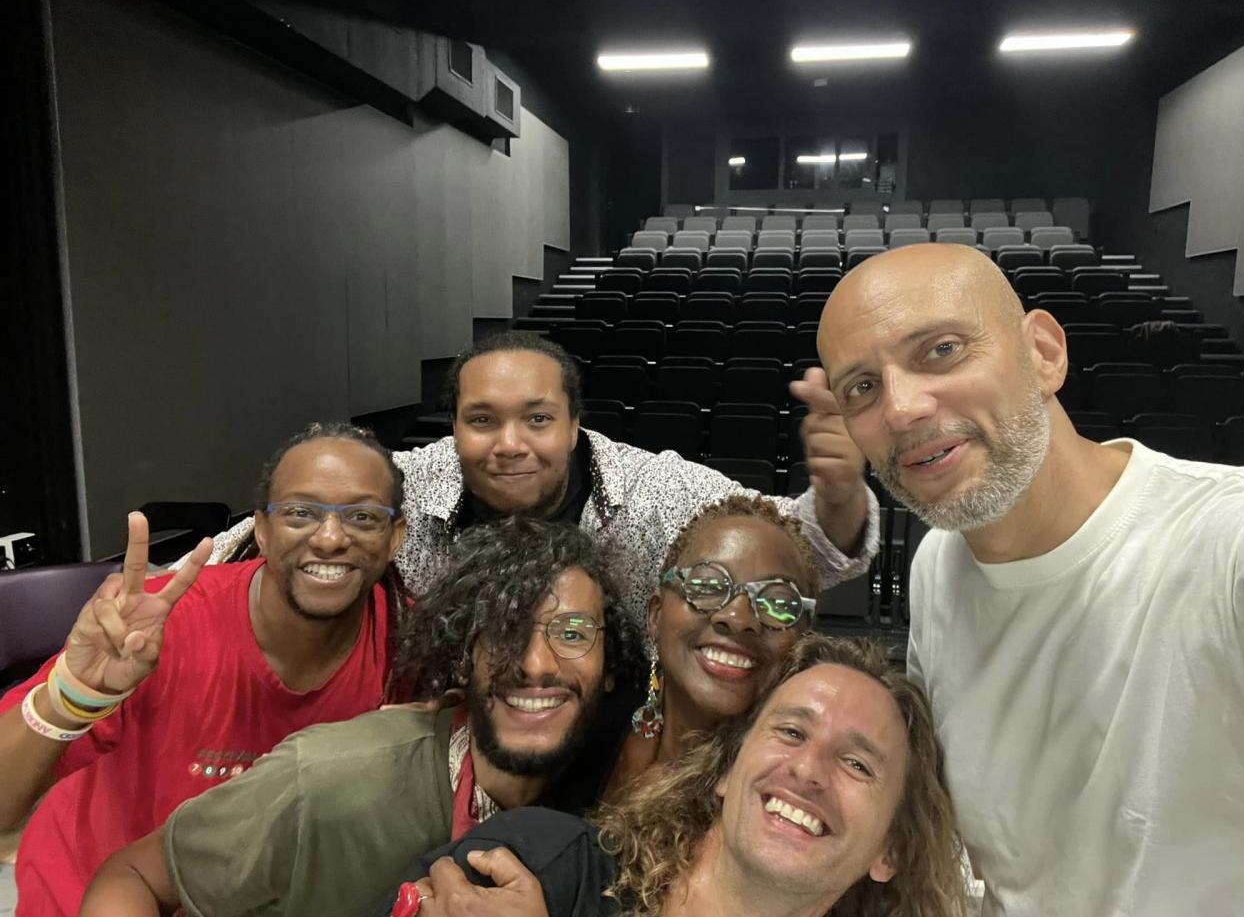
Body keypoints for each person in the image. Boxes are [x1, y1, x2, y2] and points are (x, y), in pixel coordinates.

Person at [816, 243, 1244, 916]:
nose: (901, 409)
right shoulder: (937, 565)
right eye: (862, 388)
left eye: (941, 350)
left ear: (1044, 353)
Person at [81, 517, 645, 917]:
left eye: (574, 634)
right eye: (503, 631)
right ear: (464, 654)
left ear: (610, 666)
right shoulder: (329, 779)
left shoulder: (609, 799)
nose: (535, 664)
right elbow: (133, 877)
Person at [0, 422, 410, 917]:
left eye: (363, 517)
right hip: (92, 896)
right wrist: (76, 693)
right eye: (300, 513)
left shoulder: (411, 646)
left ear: (395, 537)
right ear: (261, 530)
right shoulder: (156, 629)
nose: (329, 538)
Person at [200, 331, 880, 622]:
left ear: (575, 424)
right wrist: (164, 595)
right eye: (482, 421)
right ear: (453, 426)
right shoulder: (408, 482)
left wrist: (840, 494)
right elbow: (268, 533)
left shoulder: (655, 491)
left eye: (537, 419)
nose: (509, 445)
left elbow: (804, 553)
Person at [387, 633, 968, 917]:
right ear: (727, 771)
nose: (808, 770)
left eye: (857, 764)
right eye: (791, 732)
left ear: (890, 850)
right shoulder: (540, 866)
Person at [604, 493, 818, 798]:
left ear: (804, 639)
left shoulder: (786, 794)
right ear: (656, 615)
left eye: (777, 603)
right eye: (707, 586)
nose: (738, 618)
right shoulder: (596, 726)